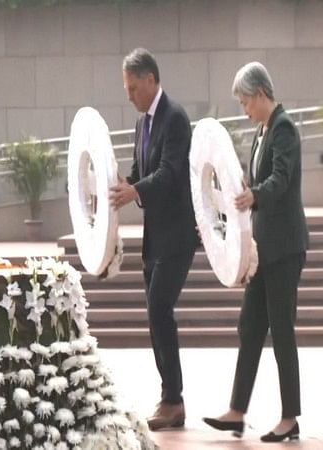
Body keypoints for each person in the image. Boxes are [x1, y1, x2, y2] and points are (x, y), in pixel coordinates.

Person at [203, 62, 309, 442]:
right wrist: (248, 185)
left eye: (246, 101)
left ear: (262, 93)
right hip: (264, 250)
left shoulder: (283, 129)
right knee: (250, 327)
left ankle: (290, 417)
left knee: (282, 332)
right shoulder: (261, 132)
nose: (244, 108)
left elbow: (280, 180)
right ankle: (237, 410)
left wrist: (255, 193)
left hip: (284, 249)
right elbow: (265, 179)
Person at [110, 48, 198, 431]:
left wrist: (135, 191)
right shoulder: (141, 124)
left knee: (160, 309)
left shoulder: (174, 118)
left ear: (150, 79)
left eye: (132, 88)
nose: (128, 95)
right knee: (154, 315)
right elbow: (139, 170)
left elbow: (170, 173)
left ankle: (173, 400)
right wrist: (118, 188)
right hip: (154, 238)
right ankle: (169, 397)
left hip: (178, 234)